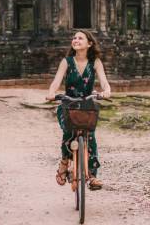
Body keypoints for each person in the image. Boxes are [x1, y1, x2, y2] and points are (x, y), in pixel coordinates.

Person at [45, 30, 111, 190]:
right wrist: (51, 93)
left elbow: (104, 81)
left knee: (91, 137)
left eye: (80, 38)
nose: (75, 40)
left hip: (87, 105)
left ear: (89, 43)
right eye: (74, 38)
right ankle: (64, 162)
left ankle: (92, 176)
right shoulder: (66, 62)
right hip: (68, 104)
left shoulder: (95, 62)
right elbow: (56, 81)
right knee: (68, 131)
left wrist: (106, 91)